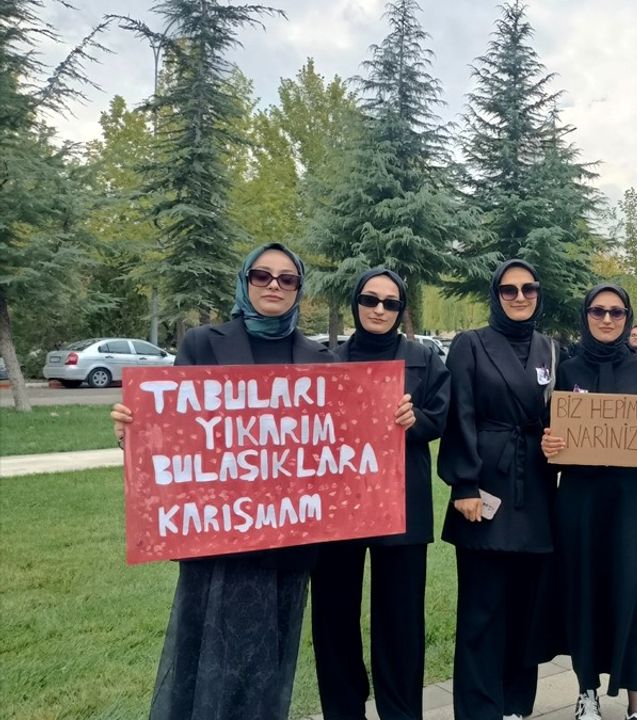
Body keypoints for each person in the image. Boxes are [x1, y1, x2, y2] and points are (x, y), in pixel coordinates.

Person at [109, 243, 416, 720]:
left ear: (299, 289)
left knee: (270, 667)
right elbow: (174, 435)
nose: (275, 285)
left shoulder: (319, 360)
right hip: (221, 542)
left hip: (287, 545)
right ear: (245, 281)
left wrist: (392, 418)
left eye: (287, 279)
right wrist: (135, 430)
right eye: (263, 275)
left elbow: (342, 449)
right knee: (208, 662)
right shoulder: (203, 343)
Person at [311, 268, 450, 720]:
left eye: (390, 303)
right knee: (334, 617)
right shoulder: (328, 361)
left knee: (400, 620)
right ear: (356, 303)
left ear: (400, 309)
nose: (379, 309)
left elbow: (443, 415)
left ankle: (401, 711)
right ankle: (344, 709)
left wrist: (418, 423)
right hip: (339, 508)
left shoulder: (424, 359)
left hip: (401, 504)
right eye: (371, 300)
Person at [541, 284, 637, 720]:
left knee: (636, 591)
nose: (606, 319)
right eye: (598, 311)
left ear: (627, 318)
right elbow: (549, 431)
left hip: (633, 502)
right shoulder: (568, 369)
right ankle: (587, 693)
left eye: (616, 312)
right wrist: (550, 441)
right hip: (581, 503)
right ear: (585, 316)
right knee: (585, 591)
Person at [437, 260, 561, 720]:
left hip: (538, 491)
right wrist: (464, 483)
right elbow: (459, 414)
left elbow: (560, 415)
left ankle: (515, 704)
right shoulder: (471, 344)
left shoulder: (550, 348)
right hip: (485, 488)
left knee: (525, 607)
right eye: (508, 290)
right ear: (496, 295)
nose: (519, 297)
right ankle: (477, 708)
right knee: (482, 608)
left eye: (528, 288)